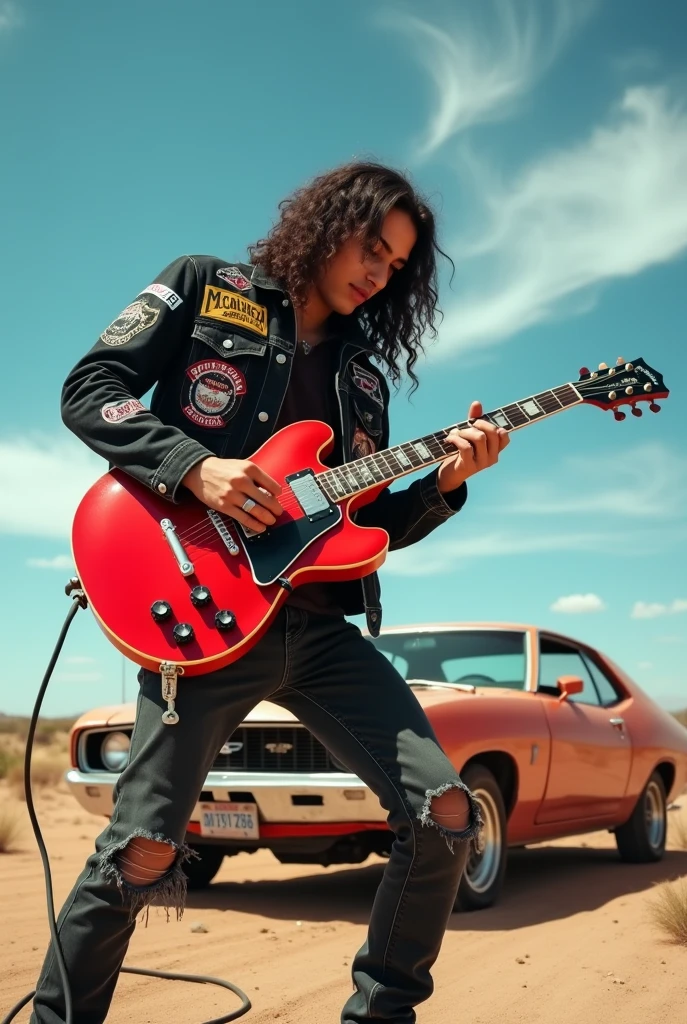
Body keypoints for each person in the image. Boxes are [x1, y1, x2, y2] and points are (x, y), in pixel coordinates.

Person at [32, 162, 509, 1024]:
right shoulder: (205, 289)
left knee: (444, 815)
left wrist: (446, 480)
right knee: (140, 852)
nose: (379, 272)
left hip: (322, 632)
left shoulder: (363, 381)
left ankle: (381, 1012)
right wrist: (195, 467)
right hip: (200, 615)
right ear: (329, 225)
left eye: (397, 265)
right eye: (373, 247)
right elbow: (88, 390)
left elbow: (367, 527)